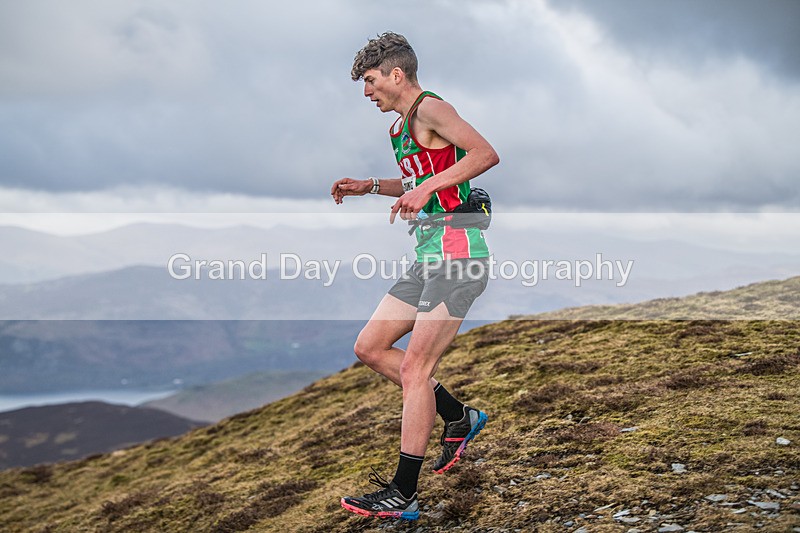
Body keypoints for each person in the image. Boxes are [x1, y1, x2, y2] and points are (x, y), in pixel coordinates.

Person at [331, 31, 499, 521]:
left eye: (371, 80)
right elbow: (416, 180)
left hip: (458, 255)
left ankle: (403, 493)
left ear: (397, 74)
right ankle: (458, 416)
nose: (367, 92)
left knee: (414, 371)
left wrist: (428, 189)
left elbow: (484, 154)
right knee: (369, 347)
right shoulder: (399, 129)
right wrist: (369, 186)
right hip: (427, 256)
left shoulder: (431, 109)